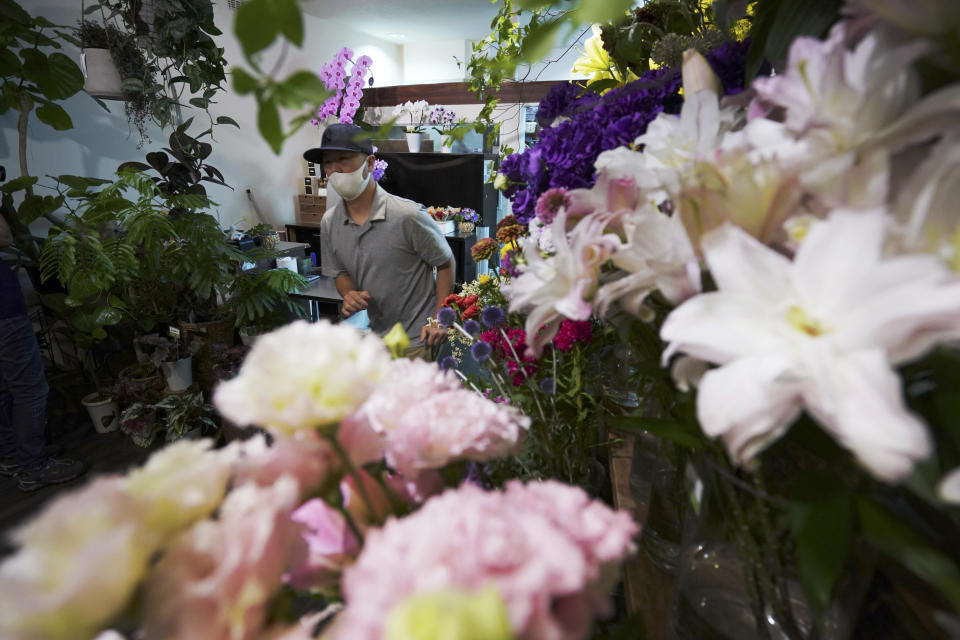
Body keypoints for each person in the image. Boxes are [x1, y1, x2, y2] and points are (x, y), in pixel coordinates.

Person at [305, 124, 454, 360]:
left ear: (370, 163)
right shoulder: (330, 222)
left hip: (417, 340)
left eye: (343, 159)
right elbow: (339, 271)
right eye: (328, 162)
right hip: (375, 339)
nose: (335, 170)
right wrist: (349, 293)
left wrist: (439, 317)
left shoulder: (408, 215)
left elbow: (445, 263)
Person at [0, 212, 86, 491]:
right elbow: (4, 237)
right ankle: (33, 467)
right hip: (4, 314)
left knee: (5, 388)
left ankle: (14, 457)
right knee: (30, 389)